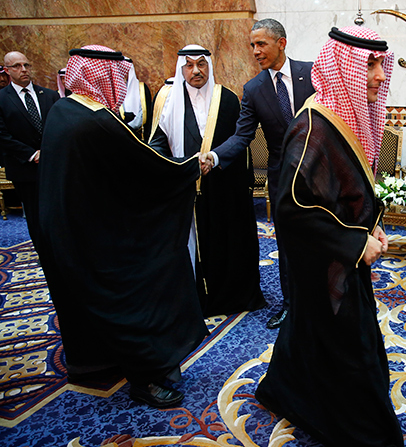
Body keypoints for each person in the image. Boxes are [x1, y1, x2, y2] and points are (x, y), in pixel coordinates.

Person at [254, 26, 403, 447]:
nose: (378, 75)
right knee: (346, 342)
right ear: (348, 67)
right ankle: (368, 436)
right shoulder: (314, 129)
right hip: (326, 262)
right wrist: (354, 243)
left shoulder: (341, 115)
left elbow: (344, 189)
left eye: (380, 64)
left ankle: (284, 390)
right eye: (370, 65)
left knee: (311, 329)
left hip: (333, 258)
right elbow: (293, 208)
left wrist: (368, 224)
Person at [37, 45, 208, 408]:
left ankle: (95, 361)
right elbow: (146, 168)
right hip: (99, 237)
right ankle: (147, 376)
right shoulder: (96, 120)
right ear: (104, 76)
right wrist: (191, 166)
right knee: (147, 283)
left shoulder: (64, 109)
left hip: (70, 228)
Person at [200, 18, 315, 329]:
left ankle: (322, 302)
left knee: (322, 241)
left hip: (320, 176)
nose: (255, 51)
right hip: (282, 181)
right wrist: (214, 155)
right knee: (288, 246)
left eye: (261, 44)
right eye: (252, 45)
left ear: (282, 43)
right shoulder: (253, 88)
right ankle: (291, 305)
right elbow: (242, 136)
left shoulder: (313, 73)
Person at [150, 44, 266, 318]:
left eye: (201, 64)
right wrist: (178, 170)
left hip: (224, 190)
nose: (196, 71)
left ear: (209, 66)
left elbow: (240, 143)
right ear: (181, 69)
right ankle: (195, 298)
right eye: (189, 65)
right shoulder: (166, 98)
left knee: (227, 242)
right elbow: (157, 144)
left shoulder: (225, 98)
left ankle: (230, 296)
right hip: (185, 190)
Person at [0, 51, 60, 252]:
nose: (23, 70)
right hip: (24, 168)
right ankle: (44, 252)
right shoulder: (1, 99)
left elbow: (59, 128)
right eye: (17, 66)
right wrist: (33, 154)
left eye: (26, 65)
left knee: (58, 210)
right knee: (35, 214)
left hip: (53, 165)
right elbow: (2, 135)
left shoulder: (50, 95)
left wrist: (49, 152)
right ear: (7, 70)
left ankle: (62, 247)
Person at [121, 57, 153, 141]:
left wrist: (131, 126)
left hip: (139, 136)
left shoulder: (142, 89)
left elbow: (145, 112)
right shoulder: (112, 90)